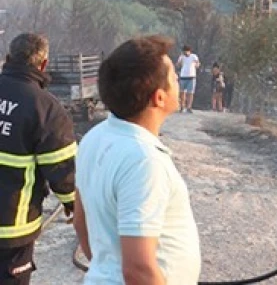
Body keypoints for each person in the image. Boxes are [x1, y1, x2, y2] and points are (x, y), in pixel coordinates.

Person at [73, 35, 201, 285]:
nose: (177, 81)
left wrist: (106, 268)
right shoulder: (144, 161)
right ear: (159, 97)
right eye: (173, 78)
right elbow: (138, 270)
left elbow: (81, 221)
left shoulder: (94, 138)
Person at [0, 33, 77, 284]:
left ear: (8, 58)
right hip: (12, 231)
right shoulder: (46, 108)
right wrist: (74, 205)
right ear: (43, 64)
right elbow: (63, 171)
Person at [174, 45, 199, 113]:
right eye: (184, 51)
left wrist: (196, 65)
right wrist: (180, 61)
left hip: (191, 76)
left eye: (186, 51)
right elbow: (178, 65)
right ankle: (182, 106)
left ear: (189, 51)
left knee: (190, 93)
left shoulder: (194, 56)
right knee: (182, 92)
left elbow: (197, 64)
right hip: (183, 76)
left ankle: (189, 107)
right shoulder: (181, 57)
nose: (185, 53)